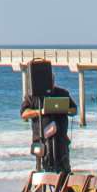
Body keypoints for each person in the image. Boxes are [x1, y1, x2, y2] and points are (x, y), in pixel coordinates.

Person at [20, 57, 76, 185]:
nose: (50, 83)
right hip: (41, 141)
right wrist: (41, 112)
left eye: (52, 80)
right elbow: (24, 114)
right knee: (42, 174)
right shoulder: (32, 96)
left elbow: (74, 110)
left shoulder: (62, 93)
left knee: (64, 172)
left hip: (61, 140)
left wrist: (64, 109)